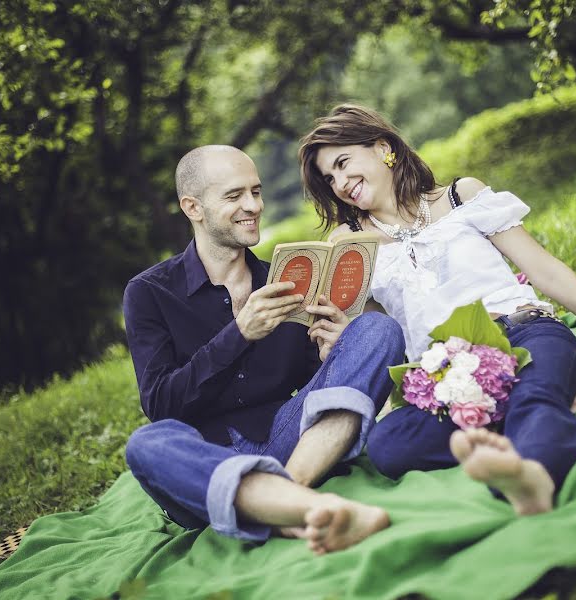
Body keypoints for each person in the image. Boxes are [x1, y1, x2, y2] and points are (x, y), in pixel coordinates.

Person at [297, 105, 576, 515]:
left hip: (525, 333)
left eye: (343, 163)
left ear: (382, 148)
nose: (341, 183)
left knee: (533, 395)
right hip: (446, 376)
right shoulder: (350, 242)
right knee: (388, 444)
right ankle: (570, 402)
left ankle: (533, 476)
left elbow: (545, 271)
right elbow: (382, 332)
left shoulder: (461, 195)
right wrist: (345, 337)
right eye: (330, 178)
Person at [123, 145, 405, 554]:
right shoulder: (149, 293)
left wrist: (334, 354)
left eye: (256, 191)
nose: (253, 205)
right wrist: (239, 333)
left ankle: (288, 502)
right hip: (209, 459)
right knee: (148, 444)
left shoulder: (289, 278)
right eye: (234, 195)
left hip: (291, 437)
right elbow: (163, 404)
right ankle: (304, 506)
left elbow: (316, 388)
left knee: (377, 329)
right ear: (193, 207)